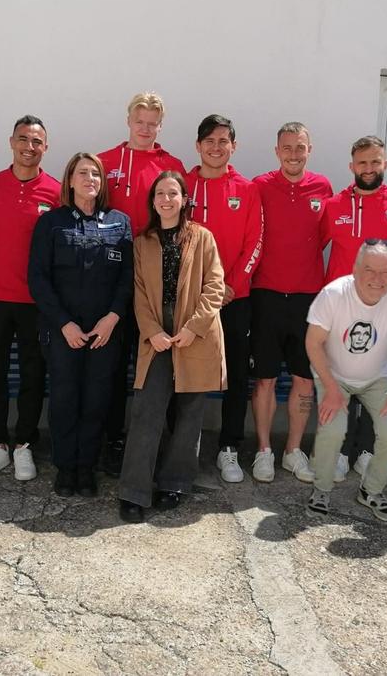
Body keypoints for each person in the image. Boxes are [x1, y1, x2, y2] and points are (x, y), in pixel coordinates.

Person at [117, 172, 225, 522]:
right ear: (152, 201)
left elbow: (215, 286)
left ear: (184, 199)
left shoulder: (203, 237)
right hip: (158, 340)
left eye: (173, 193)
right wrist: (152, 332)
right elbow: (139, 295)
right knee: (147, 412)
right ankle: (134, 490)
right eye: (160, 193)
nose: (166, 199)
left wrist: (193, 328)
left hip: (194, 337)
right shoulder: (142, 242)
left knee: (189, 415)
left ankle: (175, 484)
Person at [28, 153, 133, 496]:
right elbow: (38, 279)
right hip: (63, 332)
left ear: (103, 183)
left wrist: (112, 319)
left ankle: (86, 467)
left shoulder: (120, 223)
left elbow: (128, 279)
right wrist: (64, 324)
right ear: (70, 180)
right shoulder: (51, 223)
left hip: (106, 331)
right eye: (82, 173)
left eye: (96, 174)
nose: (90, 178)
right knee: (64, 398)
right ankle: (66, 468)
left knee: (96, 399)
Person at [98, 93, 186, 475]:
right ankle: (113, 439)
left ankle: (158, 441)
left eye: (153, 122)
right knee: (114, 364)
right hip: (114, 278)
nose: (145, 128)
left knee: (159, 364)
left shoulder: (172, 166)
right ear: (128, 120)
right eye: (140, 120)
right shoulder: (104, 163)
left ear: (160, 126)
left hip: (158, 281)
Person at [305, 240, 387, 521]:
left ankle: (371, 490)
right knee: (333, 429)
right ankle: (321, 490)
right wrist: (331, 389)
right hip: (333, 374)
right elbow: (313, 344)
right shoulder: (334, 294)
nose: (378, 279)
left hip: (376, 377)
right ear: (356, 269)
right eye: (370, 270)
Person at [320, 136, 387, 479]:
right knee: (342, 381)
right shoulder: (333, 206)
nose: (369, 169)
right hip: (341, 311)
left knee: (376, 382)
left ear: (385, 164)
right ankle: (341, 451)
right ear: (352, 166)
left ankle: (365, 449)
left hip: (385, 313)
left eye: (376, 162)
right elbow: (313, 248)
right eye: (363, 163)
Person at [0, 116, 60, 482]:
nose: (29, 146)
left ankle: (24, 443)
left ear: (45, 147)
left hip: (35, 303)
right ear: (11, 142)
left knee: (32, 374)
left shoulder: (56, 191)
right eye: (23, 139)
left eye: (36, 141)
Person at [250, 122, 332, 483]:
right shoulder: (260, 186)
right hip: (266, 296)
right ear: (277, 151)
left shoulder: (323, 187)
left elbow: (325, 237)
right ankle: (264, 450)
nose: (293, 154)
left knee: (303, 379)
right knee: (265, 379)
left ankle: (293, 451)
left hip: (307, 300)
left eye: (300, 148)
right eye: (287, 148)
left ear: (309, 150)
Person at [186, 114, 263, 483]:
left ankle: (229, 447)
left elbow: (255, 243)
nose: (216, 148)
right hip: (189, 301)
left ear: (233, 146)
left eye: (223, 141)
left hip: (235, 299)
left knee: (234, 375)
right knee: (185, 373)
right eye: (209, 141)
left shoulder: (247, 190)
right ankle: (185, 443)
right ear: (198, 146)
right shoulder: (181, 185)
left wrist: (229, 286)